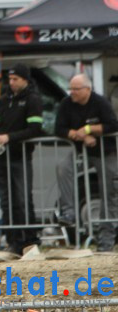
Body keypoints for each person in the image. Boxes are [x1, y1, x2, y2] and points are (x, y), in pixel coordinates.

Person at [54, 73, 118, 252]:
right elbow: (58, 128)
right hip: (80, 151)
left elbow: (113, 125)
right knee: (63, 168)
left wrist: (89, 129)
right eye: (71, 89)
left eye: (76, 89)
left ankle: (106, 238)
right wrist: (75, 134)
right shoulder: (67, 104)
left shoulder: (100, 103)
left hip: (105, 152)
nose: (71, 92)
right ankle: (68, 212)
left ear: (87, 89)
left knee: (110, 192)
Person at [0, 64, 44, 258]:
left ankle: (30, 240)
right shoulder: (4, 100)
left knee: (22, 198)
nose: (11, 83)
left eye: (15, 79)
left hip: (20, 156)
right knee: (6, 200)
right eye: (10, 79)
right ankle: (12, 241)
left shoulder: (33, 100)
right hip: (1, 157)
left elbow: (35, 129)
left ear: (25, 80)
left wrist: (9, 137)